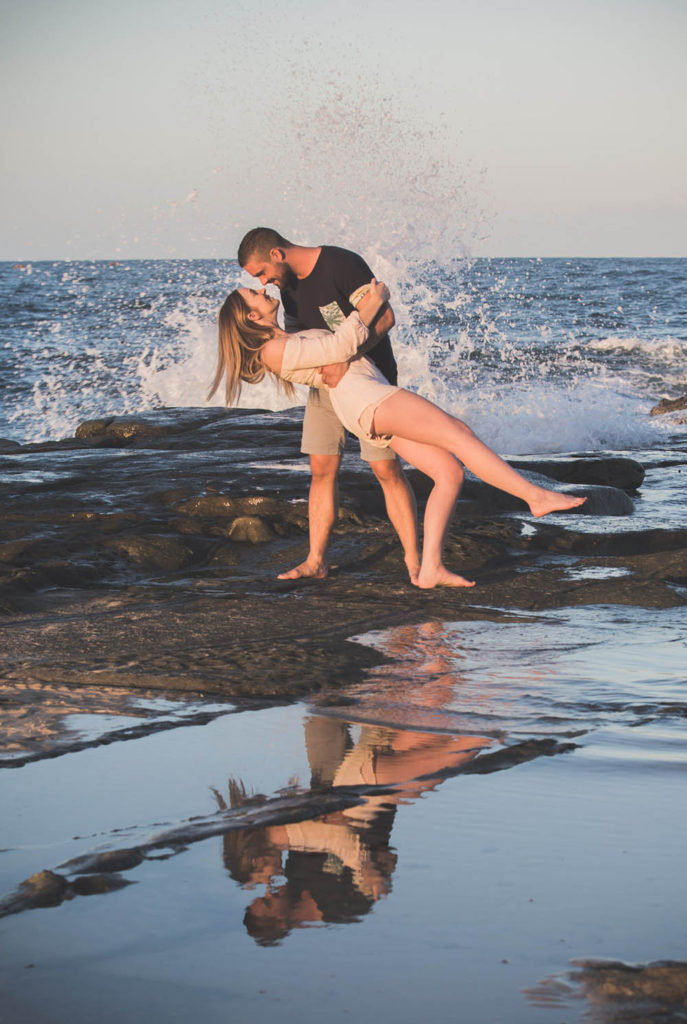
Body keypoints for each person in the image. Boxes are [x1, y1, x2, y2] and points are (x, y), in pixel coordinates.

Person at [210, 278, 586, 589]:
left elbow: (338, 350)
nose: (260, 290)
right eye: (252, 294)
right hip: (368, 400)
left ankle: (430, 568)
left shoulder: (286, 337)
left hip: (366, 399)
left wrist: (344, 346)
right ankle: (534, 497)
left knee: (449, 471)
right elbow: (342, 343)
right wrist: (374, 301)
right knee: (456, 432)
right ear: (250, 315)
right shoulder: (273, 350)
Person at [237, 228, 420, 583]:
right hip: (325, 386)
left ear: (277, 253)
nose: (264, 283)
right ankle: (315, 560)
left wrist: (347, 357)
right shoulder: (286, 288)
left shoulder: (340, 263)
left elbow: (383, 318)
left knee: (386, 471)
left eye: (261, 273)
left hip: (371, 381)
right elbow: (301, 340)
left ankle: (414, 562)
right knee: (321, 469)